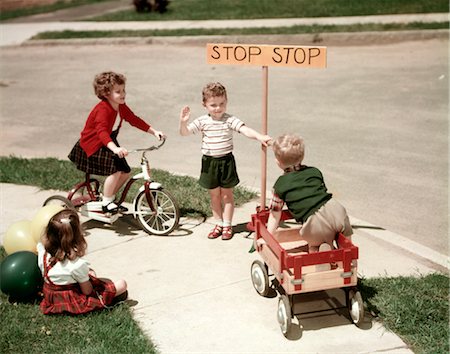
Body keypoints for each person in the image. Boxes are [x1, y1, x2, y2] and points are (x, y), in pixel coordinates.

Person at [179, 82, 272, 240]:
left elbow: (245, 130)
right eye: (213, 105)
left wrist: (259, 137)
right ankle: (219, 224)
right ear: (205, 105)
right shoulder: (202, 121)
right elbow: (184, 133)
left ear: (226, 101)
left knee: (227, 195)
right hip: (209, 163)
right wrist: (183, 122)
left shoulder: (230, 120)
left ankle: (227, 225)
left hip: (226, 161)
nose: (218, 108)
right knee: (215, 196)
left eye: (222, 104)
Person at [69, 71, 165, 214]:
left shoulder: (120, 106)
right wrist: (115, 149)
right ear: (106, 93)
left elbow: (133, 119)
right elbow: (101, 132)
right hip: (92, 145)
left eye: (123, 90)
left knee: (125, 171)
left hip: (107, 142)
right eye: (118, 91)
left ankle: (109, 197)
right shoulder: (103, 109)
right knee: (114, 171)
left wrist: (153, 131)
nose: (123, 94)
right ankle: (107, 203)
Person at [266, 134, 353, 252]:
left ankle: (321, 252)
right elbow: (320, 192)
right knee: (347, 244)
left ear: (278, 162)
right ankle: (349, 260)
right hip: (336, 210)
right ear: (302, 157)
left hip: (314, 223)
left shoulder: (280, 185)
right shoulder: (314, 172)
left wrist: (268, 237)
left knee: (314, 245)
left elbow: (275, 215)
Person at [37, 209, 128, 315]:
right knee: (122, 284)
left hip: (51, 298)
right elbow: (87, 291)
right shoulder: (76, 265)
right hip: (71, 301)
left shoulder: (43, 252)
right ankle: (109, 299)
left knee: (103, 280)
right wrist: (88, 276)